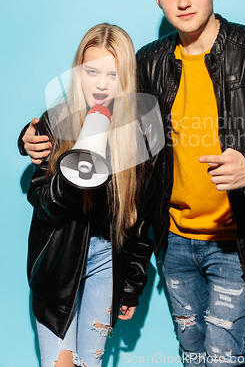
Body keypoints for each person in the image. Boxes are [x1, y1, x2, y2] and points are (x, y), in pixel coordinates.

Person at [20, 0, 245, 366]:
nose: (184, 1)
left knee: (223, 360)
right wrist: (34, 135)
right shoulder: (149, 63)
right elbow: (93, 106)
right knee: (193, 357)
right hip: (175, 246)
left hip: (233, 246)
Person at [20, 23, 154, 367]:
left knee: (89, 364)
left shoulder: (139, 133)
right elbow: (43, 204)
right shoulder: (56, 122)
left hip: (108, 261)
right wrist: (72, 175)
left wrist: (132, 283)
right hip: (58, 264)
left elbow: (141, 217)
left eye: (112, 74)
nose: (101, 83)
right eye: (91, 71)